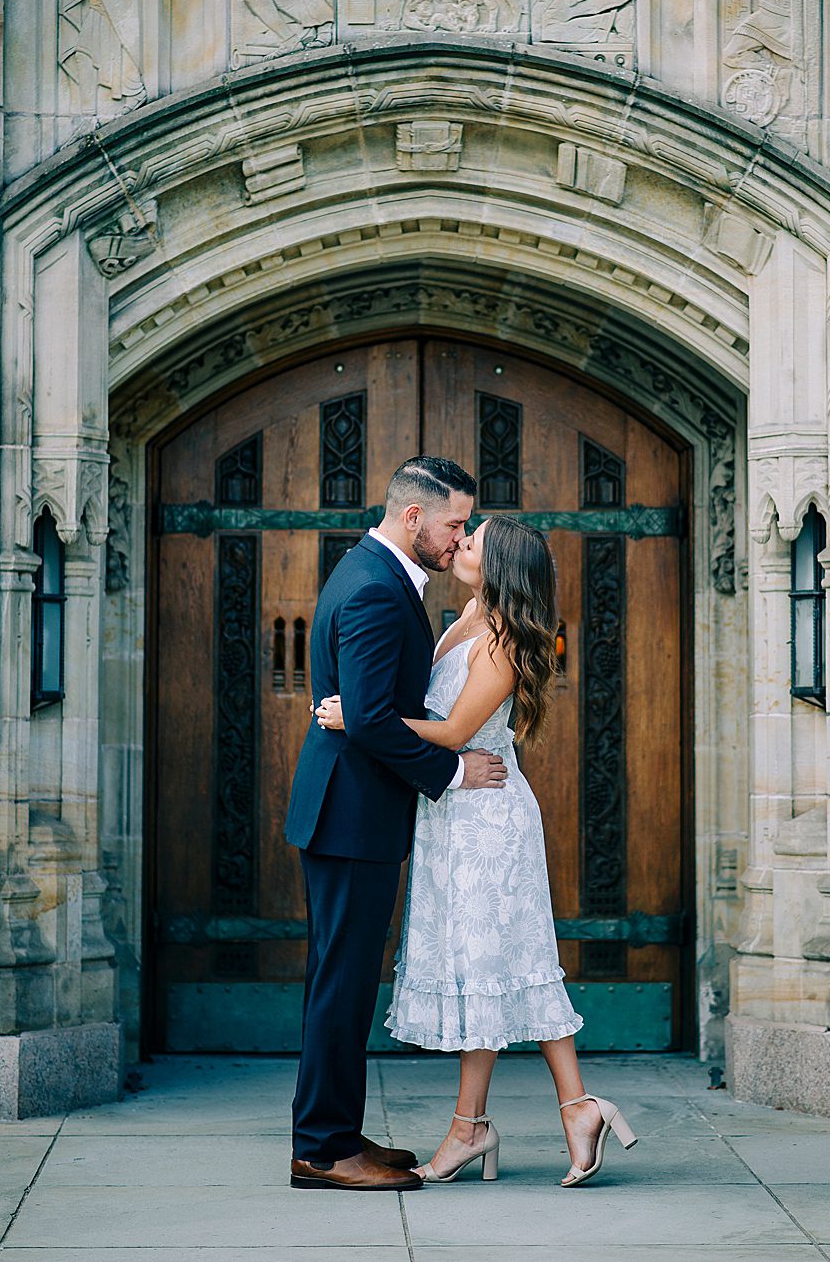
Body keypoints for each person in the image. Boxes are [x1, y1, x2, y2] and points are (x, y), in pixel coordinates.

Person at [314, 514, 638, 1187]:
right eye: (464, 535)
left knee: (498, 966)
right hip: (453, 815)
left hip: (489, 819)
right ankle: (537, 1115)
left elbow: (459, 727)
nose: (459, 544)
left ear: (500, 567)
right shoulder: (463, 615)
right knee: (489, 968)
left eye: (474, 542)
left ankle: (511, 1120)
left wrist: (361, 717)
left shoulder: (501, 639)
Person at [284, 456, 506, 1192]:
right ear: (414, 517)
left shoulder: (378, 573)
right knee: (341, 984)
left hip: (350, 812)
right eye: (453, 523)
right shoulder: (378, 589)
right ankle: (322, 1149)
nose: (460, 536)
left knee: (341, 980)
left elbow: (371, 709)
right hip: (350, 815)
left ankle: (337, 1131)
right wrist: (453, 770)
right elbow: (374, 718)